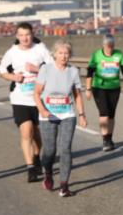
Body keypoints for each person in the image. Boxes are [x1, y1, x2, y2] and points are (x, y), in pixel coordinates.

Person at [0, 23, 52, 182]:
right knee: (26, 130)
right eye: (21, 35)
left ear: (32, 34)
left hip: (39, 98)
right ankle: (30, 168)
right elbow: (2, 71)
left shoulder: (40, 49)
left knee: (36, 132)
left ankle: (36, 156)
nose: (24, 38)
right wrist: (14, 77)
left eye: (27, 34)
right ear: (17, 36)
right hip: (19, 98)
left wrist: (37, 70)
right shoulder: (12, 52)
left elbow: (53, 68)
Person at [34, 39, 87, 197]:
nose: (64, 56)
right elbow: (36, 93)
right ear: (54, 54)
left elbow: (77, 95)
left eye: (67, 53)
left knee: (65, 150)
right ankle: (48, 173)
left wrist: (82, 114)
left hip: (67, 115)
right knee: (50, 151)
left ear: (70, 55)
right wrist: (42, 110)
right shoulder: (46, 69)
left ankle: (64, 185)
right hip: (48, 115)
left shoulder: (73, 71)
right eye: (60, 53)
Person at [85, 34, 123, 152]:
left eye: (112, 46)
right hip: (99, 87)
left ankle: (110, 138)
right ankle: (105, 139)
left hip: (114, 88)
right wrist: (88, 89)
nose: (110, 49)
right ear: (103, 45)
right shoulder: (96, 55)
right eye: (108, 46)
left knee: (111, 115)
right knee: (104, 113)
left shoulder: (119, 54)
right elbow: (89, 72)